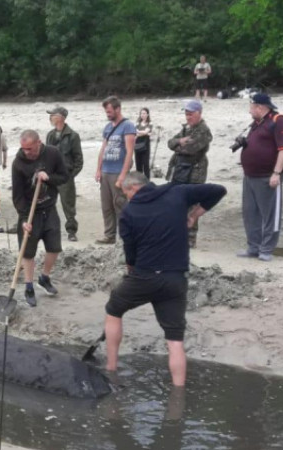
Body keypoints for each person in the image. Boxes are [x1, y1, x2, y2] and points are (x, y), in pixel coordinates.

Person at [99, 172, 227, 386]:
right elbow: (218, 191)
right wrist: (195, 215)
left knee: (114, 309)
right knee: (175, 340)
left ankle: (111, 367)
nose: (127, 197)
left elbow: (130, 252)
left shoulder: (129, 213)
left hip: (144, 276)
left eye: (125, 193)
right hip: (175, 279)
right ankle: (179, 392)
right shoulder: (178, 192)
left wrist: (131, 268)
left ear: (132, 189)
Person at [12, 130, 69, 307]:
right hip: (30, 212)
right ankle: (29, 286)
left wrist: (48, 178)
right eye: (23, 149)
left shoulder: (52, 153)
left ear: (39, 142)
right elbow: (17, 195)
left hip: (49, 208)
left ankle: (44, 278)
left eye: (29, 148)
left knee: (54, 247)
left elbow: (64, 177)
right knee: (28, 251)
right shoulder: (18, 163)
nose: (26, 152)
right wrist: (23, 219)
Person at [237, 94, 283, 262]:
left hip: (268, 176)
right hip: (250, 176)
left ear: (260, 107)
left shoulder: (278, 120)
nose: (249, 111)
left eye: (251, 107)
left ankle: (266, 249)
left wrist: (276, 173)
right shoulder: (256, 123)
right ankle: (253, 247)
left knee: (270, 214)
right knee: (250, 213)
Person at [166, 100, 213, 248]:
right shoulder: (187, 129)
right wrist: (180, 141)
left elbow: (190, 149)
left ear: (199, 113)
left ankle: (190, 238)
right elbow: (170, 143)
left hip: (195, 172)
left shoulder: (203, 130)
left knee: (192, 205)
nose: (188, 117)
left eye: (191, 114)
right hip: (181, 170)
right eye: (186, 114)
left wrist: (178, 145)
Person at [96, 96, 136, 244]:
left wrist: (122, 175)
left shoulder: (128, 126)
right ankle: (109, 234)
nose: (108, 114)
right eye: (106, 112)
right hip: (106, 171)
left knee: (120, 204)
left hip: (118, 171)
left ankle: (124, 236)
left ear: (118, 109)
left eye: (109, 111)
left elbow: (129, 151)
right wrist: (98, 169)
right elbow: (103, 148)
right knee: (106, 205)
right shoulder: (107, 128)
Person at [46, 106, 83, 241]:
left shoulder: (73, 136)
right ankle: (49, 230)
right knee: (48, 203)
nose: (50, 117)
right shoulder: (50, 135)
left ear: (61, 117)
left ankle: (71, 231)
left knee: (68, 205)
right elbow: (46, 155)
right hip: (51, 176)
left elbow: (79, 160)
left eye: (52, 115)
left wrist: (70, 175)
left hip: (65, 176)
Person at [134, 108, 152, 179]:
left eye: (144, 113)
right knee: (138, 163)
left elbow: (146, 132)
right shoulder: (137, 123)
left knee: (146, 163)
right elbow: (136, 131)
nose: (143, 115)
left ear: (147, 114)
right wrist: (146, 133)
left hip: (145, 144)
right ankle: (139, 181)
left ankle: (147, 181)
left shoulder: (150, 123)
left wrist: (139, 133)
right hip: (137, 143)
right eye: (141, 113)